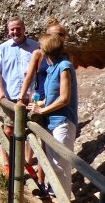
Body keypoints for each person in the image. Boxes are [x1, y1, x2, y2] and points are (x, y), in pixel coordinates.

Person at [16, 17, 68, 197]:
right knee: (34, 138)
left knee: (47, 143)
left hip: (53, 104)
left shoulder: (65, 57)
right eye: (55, 34)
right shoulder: (39, 54)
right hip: (39, 100)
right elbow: (30, 76)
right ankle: (31, 172)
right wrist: (22, 98)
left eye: (62, 34)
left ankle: (43, 182)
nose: (59, 37)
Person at [27, 33, 78, 200]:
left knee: (61, 165)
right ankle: (58, 196)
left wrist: (42, 110)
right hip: (52, 122)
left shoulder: (64, 67)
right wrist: (39, 104)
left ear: (46, 49)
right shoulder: (51, 68)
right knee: (54, 164)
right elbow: (51, 97)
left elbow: (64, 98)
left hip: (63, 121)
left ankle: (64, 198)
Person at [0, 16, 40, 177]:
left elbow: (41, 70)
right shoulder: (3, 48)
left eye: (18, 28)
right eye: (12, 29)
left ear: (24, 28)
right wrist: (0, 91)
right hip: (10, 97)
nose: (15, 32)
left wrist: (37, 95)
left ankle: (27, 163)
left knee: (31, 130)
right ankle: (7, 163)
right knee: (8, 129)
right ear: (8, 31)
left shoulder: (35, 47)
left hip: (32, 96)